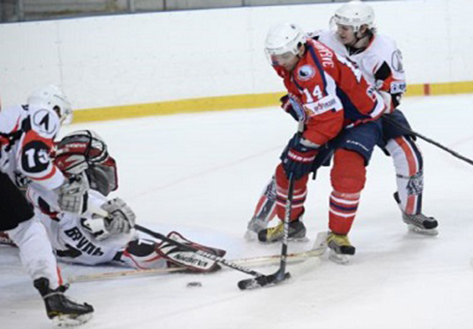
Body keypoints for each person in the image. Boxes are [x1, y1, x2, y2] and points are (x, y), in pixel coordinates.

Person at [247, 0, 438, 240]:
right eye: (338, 24)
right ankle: (267, 215)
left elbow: (393, 91)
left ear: (363, 29)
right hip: (327, 113)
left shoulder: (385, 50)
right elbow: (293, 54)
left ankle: (412, 211)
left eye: (346, 27)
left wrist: (369, 105)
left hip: (371, 111)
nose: (339, 30)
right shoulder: (320, 38)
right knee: (294, 160)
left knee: (409, 153)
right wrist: (300, 102)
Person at [258, 22, 387, 262]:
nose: (279, 61)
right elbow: (321, 106)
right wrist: (297, 101)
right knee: (286, 172)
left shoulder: (311, 70)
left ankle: (338, 235)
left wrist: (305, 148)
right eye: (275, 56)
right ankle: (291, 225)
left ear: (298, 48)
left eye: (284, 56)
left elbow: (330, 121)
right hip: (328, 116)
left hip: (359, 120)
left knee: (348, 173)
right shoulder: (295, 53)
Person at [22, 129, 225, 272]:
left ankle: (154, 251)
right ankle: (163, 252)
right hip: (90, 248)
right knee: (125, 241)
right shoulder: (66, 193)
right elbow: (83, 203)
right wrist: (108, 213)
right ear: (79, 167)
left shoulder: (40, 186)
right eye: (98, 165)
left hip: (63, 247)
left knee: (121, 242)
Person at [0, 85, 94, 327]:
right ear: (55, 106)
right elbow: (34, 164)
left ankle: (54, 289)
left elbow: (27, 176)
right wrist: (64, 185)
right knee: (27, 230)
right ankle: (53, 296)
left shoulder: (12, 123)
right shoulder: (43, 113)